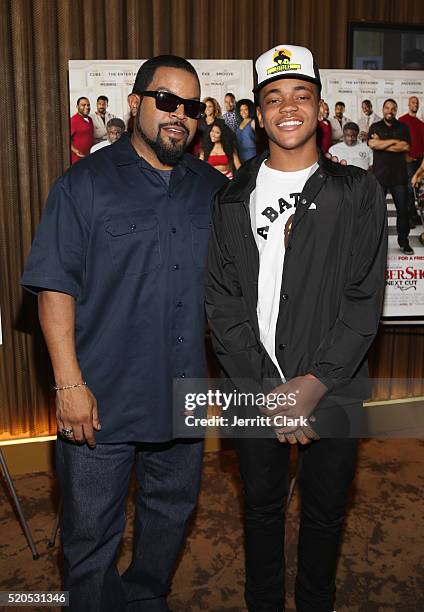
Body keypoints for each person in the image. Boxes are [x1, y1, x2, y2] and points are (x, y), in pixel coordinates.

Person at [21, 54, 227, 612]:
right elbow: (54, 287)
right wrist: (68, 385)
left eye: (188, 106)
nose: (177, 115)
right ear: (135, 104)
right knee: (89, 536)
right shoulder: (83, 184)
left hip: (182, 393)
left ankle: (145, 599)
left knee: (171, 513)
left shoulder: (211, 188)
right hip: (99, 400)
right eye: (165, 100)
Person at [205, 44, 387, 612]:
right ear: (258, 115)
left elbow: (364, 300)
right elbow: (222, 301)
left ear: (320, 107)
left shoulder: (357, 193)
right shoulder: (231, 196)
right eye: (273, 99)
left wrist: (311, 384)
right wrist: (269, 393)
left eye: (300, 96)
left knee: (326, 511)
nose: (288, 108)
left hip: (331, 389)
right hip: (252, 387)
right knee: (259, 508)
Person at [369, 98, 413, 254]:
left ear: (396, 110)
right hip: (380, 177)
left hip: (399, 177)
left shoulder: (403, 127)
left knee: (403, 211)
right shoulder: (375, 126)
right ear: (383, 109)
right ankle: (376, 244)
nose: (390, 111)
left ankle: (403, 242)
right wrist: (395, 143)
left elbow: (405, 146)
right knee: (378, 212)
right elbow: (373, 144)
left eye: (393, 108)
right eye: (387, 108)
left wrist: (383, 143)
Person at [399, 96, 424, 226]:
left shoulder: (421, 123)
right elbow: (398, 141)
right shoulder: (402, 120)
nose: (415, 104)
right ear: (408, 104)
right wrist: (405, 156)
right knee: (409, 189)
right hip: (408, 160)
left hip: (420, 161)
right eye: (413, 102)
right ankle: (407, 218)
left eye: (417, 103)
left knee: (417, 190)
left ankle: (414, 215)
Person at [70, 97, 93, 164]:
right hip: (77, 160)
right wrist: (75, 151)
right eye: (83, 105)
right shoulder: (73, 120)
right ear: (77, 106)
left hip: (88, 158)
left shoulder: (90, 119)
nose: (87, 107)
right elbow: (66, 140)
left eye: (88, 105)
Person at [235, 98, 256, 162]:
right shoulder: (239, 123)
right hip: (240, 155)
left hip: (251, 154)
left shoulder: (253, 122)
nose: (243, 112)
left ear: (250, 110)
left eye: (245, 110)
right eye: (241, 110)